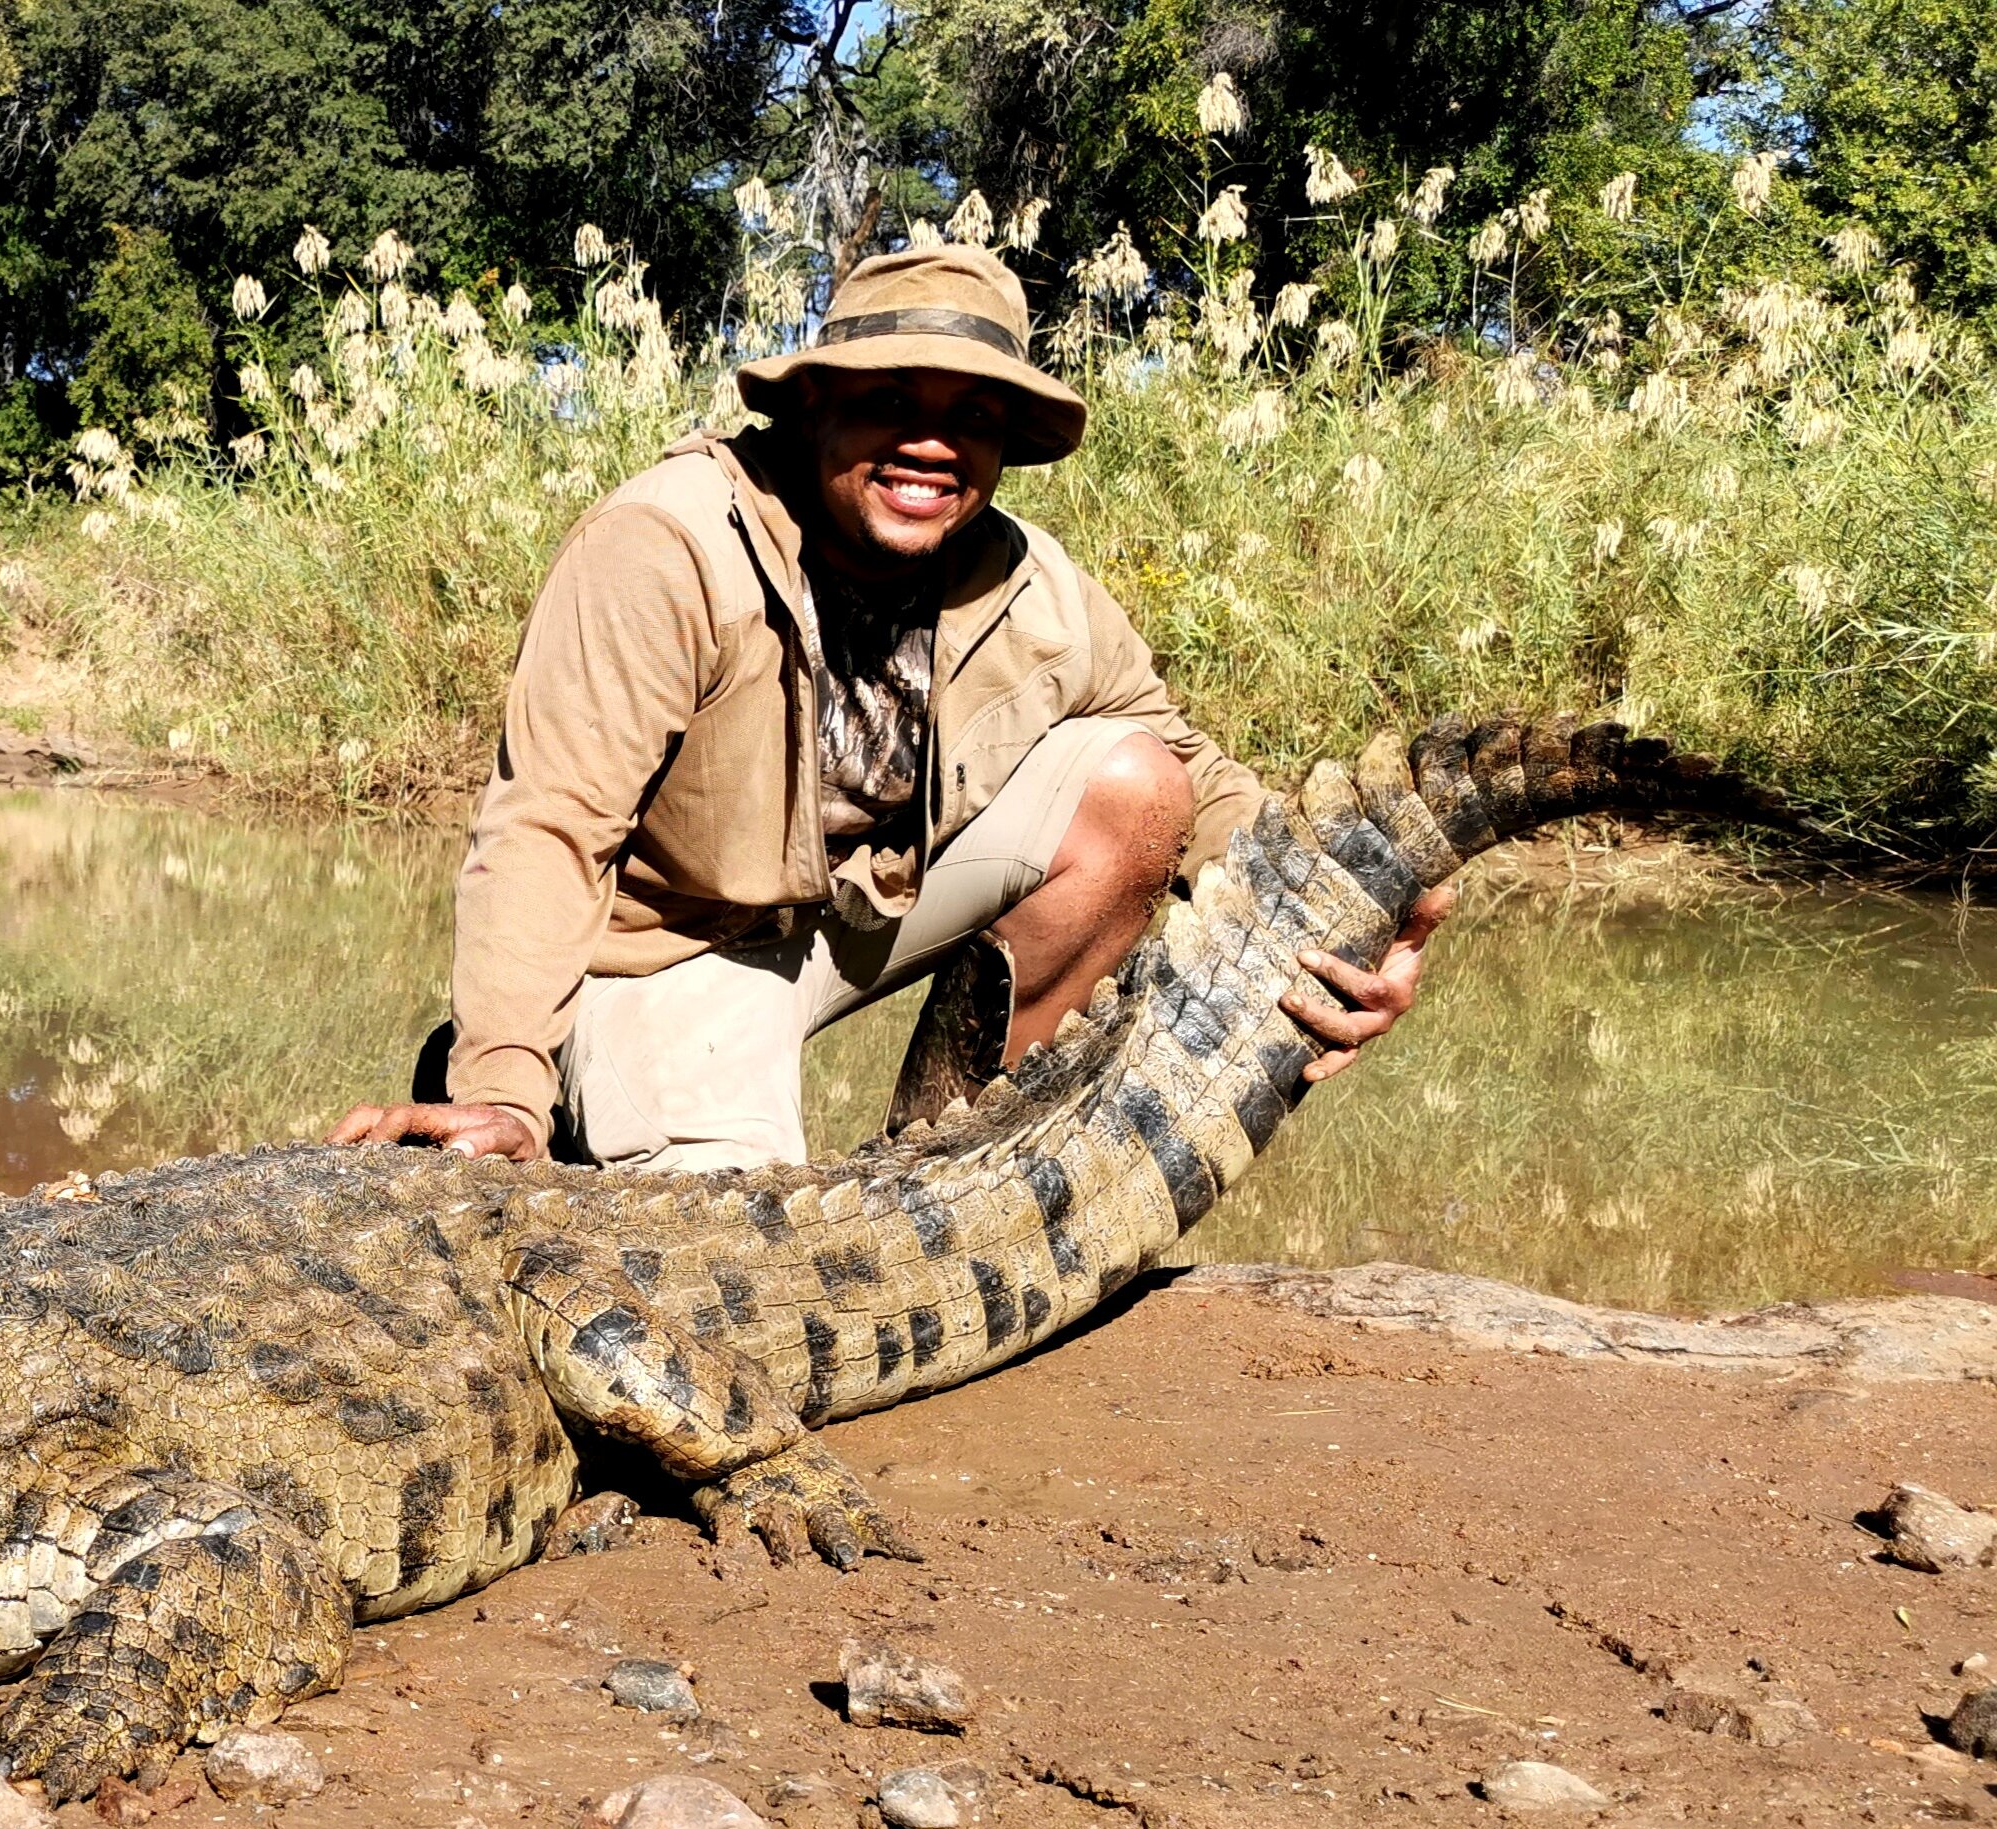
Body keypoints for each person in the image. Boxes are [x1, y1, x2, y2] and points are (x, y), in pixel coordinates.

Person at [332, 243, 1447, 1168]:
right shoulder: (668, 547)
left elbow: (1191, 774)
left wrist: (1353, 911)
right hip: (670, 950)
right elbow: (547, 826)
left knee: (1131, 786)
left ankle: (953, 1168)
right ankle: (566, 1090)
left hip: (857, 914)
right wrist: (503, 1090)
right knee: (739, 1273)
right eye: (892, 400)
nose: (931, 442)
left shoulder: (1030, 584)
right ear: (814, 403)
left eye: (975, 413)